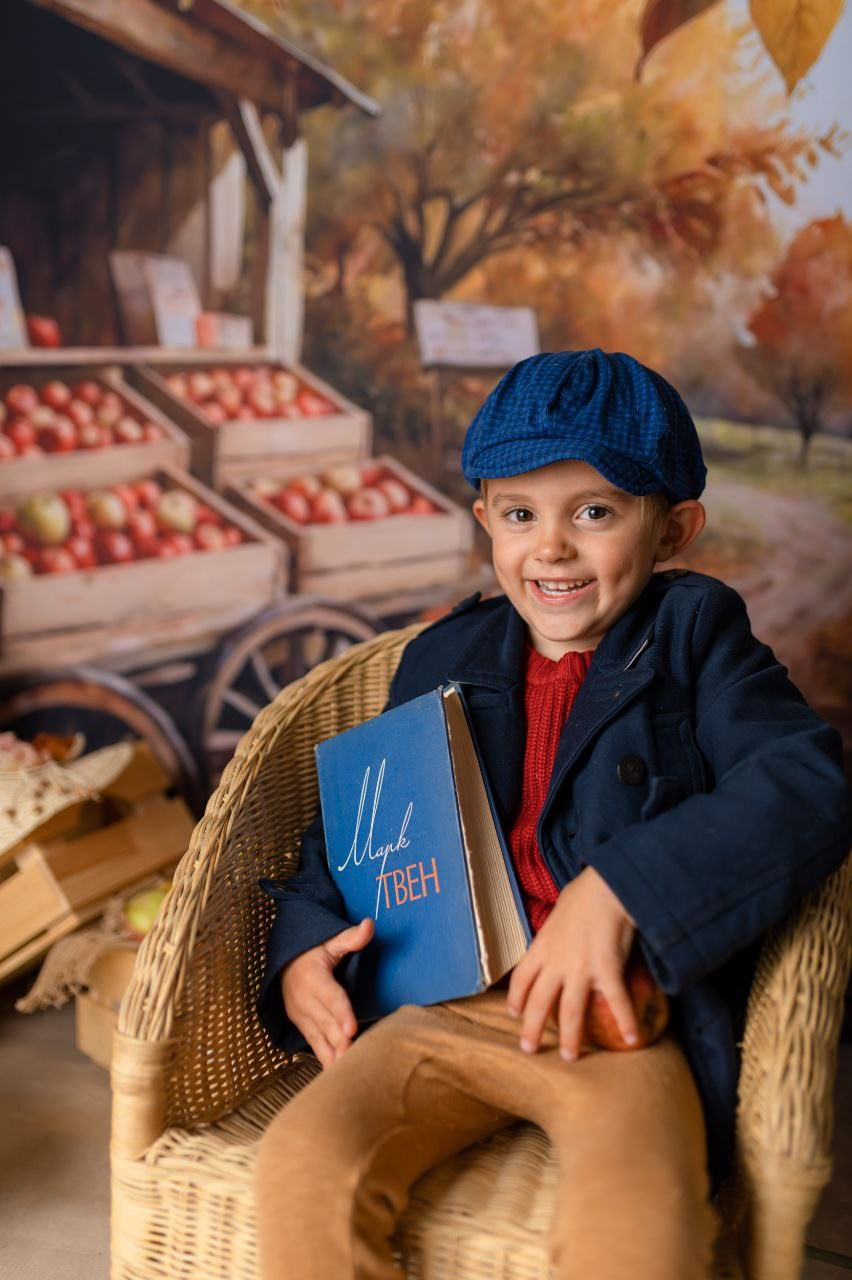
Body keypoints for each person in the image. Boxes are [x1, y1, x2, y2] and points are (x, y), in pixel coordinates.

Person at [254, 349, 851, 1280]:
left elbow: (806, 784)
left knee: (638, 1230)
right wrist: (303, 950)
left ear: (673, 529)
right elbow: (351, 833)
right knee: (301, 1167)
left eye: (596, 512)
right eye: (522, 514)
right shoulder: (440, 656)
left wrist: (622, 892)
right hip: (439, 1006)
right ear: (485, 519)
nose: (553, 547)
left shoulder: (697, 640)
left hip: (615, 1026)